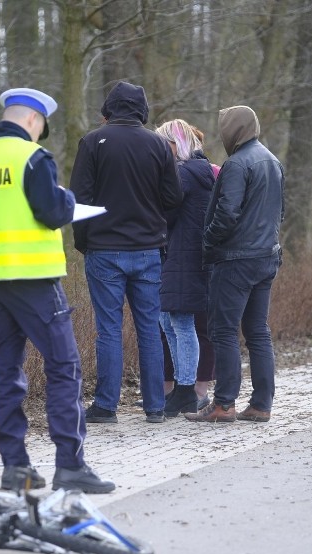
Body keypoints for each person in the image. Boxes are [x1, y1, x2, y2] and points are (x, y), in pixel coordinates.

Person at [0, 87, 115, 493]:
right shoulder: (32, 158)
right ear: (32, 120)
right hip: (36, 281)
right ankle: (70, 465)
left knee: (7, 372)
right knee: (64, 368)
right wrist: (67, 199)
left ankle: (16, 467)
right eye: (40, 125)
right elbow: (51, 211)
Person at [70, 81, 183, 424]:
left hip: (104, 250)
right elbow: (174, 197)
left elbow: (79, 199)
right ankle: (155, 407)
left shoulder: (93, 142)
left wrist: (84, 242)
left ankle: (106, 406)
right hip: (149, 249)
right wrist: (156, 226)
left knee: (109, 329)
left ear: (108, 110)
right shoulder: (159, 145)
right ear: (142, 111)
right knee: (149, 328)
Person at [185, 105, 284, 423]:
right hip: (267, 257)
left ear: (234, 131)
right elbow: (278, 212)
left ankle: (224, 404)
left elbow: (227, 212)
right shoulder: (272, 160)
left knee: (223, 330)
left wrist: (209, 241)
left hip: (236, 259)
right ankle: (261, 404)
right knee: (258, 331)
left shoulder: (237, 164)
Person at [153, 119, 215, 416]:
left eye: (163, 145)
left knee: (180, 323)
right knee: (169, 321)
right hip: (184, 256)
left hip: (183, 257)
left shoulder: (184, 173)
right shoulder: (197, 170)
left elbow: (166, 212)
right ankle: (182, 388)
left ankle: (186, 389)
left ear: (175, 144)